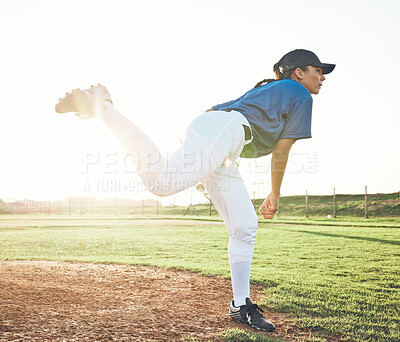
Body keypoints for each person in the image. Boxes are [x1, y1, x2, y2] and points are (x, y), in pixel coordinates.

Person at [55, 49, 335, 332]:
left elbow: (211, 112)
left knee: (245, 225)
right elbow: (282, 150)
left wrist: (209, 162)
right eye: (317, 70)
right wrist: (274, 194)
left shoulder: (270, 88)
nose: (322, 77)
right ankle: (102, 105)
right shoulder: (300, 93)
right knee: (162, 182)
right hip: (226, 135)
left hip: (224, 139)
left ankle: (240, 305)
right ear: (299, 72)